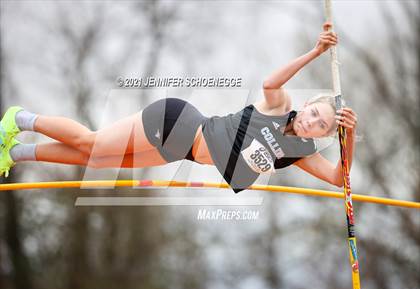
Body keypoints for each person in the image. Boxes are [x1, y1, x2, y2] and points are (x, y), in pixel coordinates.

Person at [0, 22, 357, 193]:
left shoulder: (301, 153)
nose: (313, 123)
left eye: (322, 125)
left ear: (326, 134)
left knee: (95, 160)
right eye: (314, 113)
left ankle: (16, 154)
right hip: (179, 123)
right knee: (91, 144)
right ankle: (20, 117)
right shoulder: (282, 107)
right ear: (308, 104)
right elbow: (269, 83)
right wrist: (315, 52)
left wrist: (350, 136)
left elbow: (339, 178)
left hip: (179, 152)